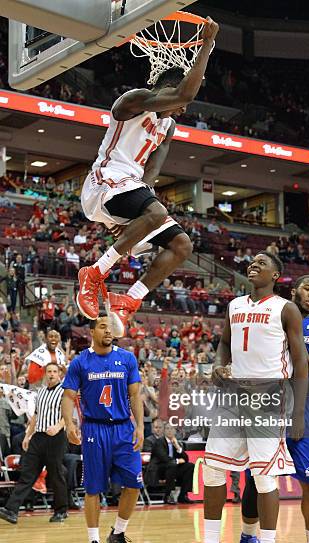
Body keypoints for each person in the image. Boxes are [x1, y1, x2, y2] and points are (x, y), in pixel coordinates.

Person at [77, 18, 219, 336]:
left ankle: (128, 300)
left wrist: (140, 214)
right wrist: (206, 45)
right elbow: (185, 95)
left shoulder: (168, 126)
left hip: (131, 186)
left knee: (182, 245)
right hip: (104, 180)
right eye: (178, 99)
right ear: (167, 90)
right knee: (157, 212)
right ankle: (93, 273)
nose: (183, 108)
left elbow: (152, 171)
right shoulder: (134, 101)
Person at [186, 252, 308, 543]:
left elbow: (300, 362)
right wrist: (219, 365)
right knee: (211, 468)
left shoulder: (286, 308)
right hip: (233, 396)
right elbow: (224, 343)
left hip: (269, 398)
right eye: (251, 262)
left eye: (261, 262)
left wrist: (297, 413)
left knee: (263, 477)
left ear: (276, 274)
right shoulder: (235, 305)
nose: (253, 265)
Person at [225, 275, 309, 543]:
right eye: (307, 288)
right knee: (256, 481)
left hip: (308, 415)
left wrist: (283, 357)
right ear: (292, 291)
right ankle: (249, 541)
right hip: (265, 406)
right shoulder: (271, 315)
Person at [61, 315, 144, 543]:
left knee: (134, 483)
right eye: (103, 327)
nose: (109, 331)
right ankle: (94, 541)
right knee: (93, 488)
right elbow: (67, 396)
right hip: (94, 430)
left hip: (123, 429)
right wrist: (69, 423)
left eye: (111, 327)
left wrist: (139, 426)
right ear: (92, 331)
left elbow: (135, 394)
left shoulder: (127, 359)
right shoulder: (80, 362)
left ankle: (118, 533)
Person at [0, 363, 68, 524]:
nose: (51, 374)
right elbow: (35, 417)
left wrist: (58, 427)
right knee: (27, 473)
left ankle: (61, 510)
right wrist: (27, 436)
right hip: (38, 438)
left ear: (59, 374)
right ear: (45, 374)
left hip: (55, 438)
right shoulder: (41, 392)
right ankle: (11, 510)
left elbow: (67, 415)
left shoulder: (64, 392)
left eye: (54, 372)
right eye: (49, 371)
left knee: (56, 474)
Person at [146, 422, 194, 504]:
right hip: (159, 470)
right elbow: (164, 458)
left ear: (175, 431)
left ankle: (183, 495)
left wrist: (177, 447)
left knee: (189, 466)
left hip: (172, 468)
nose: (169, 431)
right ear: (164, 431)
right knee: (172, 465)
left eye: (172, 429)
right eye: (167, 428)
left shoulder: (176, 442)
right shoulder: (159, 442)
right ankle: (168, 495)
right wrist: (178, 461)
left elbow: (186, 459)